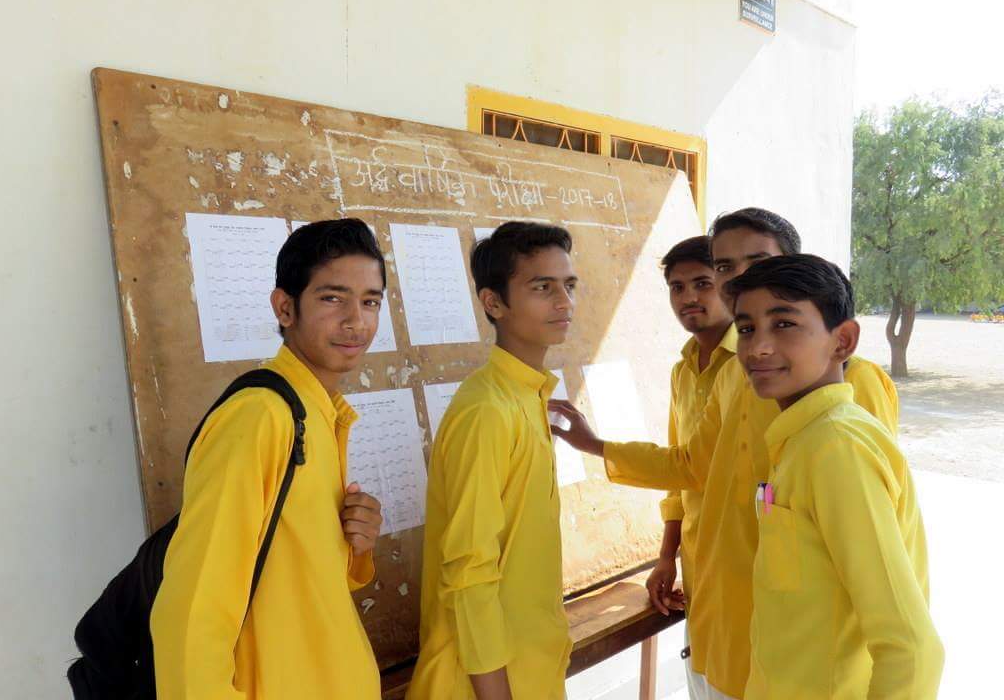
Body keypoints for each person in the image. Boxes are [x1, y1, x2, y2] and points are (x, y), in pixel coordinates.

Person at [550, 208, 898, 700]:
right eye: (725, 267)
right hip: (716, 606)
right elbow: (690, 467)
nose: (738, 279)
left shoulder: (853, 379)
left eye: (757, 261)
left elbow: (884, 564)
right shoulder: (736, 375)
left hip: (797, 642)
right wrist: (597, 447)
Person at [150, 219, 386, 699]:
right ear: (285, 307)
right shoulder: (261, 416)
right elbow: (193, 609)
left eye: (370, 302)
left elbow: (299, 578)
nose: (356, 321)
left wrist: (356, 544)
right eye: (332, 298)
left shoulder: (320, 414)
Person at [727, 254, 943, 698]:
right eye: (746, 328)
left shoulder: (836, 447)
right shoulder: (801, 438)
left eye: (784, 324)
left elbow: (911, 649)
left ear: (842, 341)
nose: (757, 348)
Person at [407, 221, 578, 700]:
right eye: (543, 288)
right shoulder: (486, 410)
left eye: (569, 285)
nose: (564, 302)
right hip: (482, 682)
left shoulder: (526, 397)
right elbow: (469, 568)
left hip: (530, 665)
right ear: (493, 302)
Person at [647, 236, 737, 687]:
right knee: (702, 681)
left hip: (744, 566)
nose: (689, 298)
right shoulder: (682, 371)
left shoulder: (754, 366)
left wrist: (598, 446)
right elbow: (678, 474)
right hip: (697, 568)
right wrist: (667, 556)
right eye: (677, 287)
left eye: (702, 283)